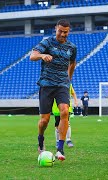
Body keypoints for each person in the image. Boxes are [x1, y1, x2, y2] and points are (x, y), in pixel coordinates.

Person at [30, 19, 77, 161]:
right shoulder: (47, 42)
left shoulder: (72, 47)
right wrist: (42, 55)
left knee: (64, 111)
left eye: (66, 32)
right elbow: (32, 56)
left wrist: (68, 79)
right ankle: (40, 139)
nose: (63, 34)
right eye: (60, 31)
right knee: (45, 120)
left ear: (69, 31)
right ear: (56, 28)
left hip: (62, 84)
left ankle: (60, 149)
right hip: (47, 84)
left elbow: (73, 63)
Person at [52, 84, 78, 148]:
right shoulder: (53, 83)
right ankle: (58, 141)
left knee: (67, 123)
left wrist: (76, 101)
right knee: (57, 125)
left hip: (66, 106)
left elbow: (73, 93)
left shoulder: (68, 83)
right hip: (56, 108)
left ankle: (68, 140)